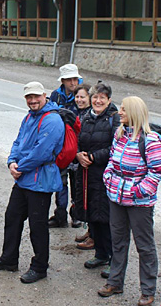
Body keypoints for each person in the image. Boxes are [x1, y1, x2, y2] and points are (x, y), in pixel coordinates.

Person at [0, 82, 64, 284]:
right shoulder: (29, 117)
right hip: (24, 179)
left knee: (37, 226)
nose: (32, 100)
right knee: (12, 217)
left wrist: (19, 167)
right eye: (29, 97)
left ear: (45, 96)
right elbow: (18, 142)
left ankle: (39, 267)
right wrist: (11, 161)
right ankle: (9, 259)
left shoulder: (53, 120)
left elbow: (42, 152)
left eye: (36, 96)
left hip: (40, 181)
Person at [98, 96, 161, 306]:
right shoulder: (120, 135)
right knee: (118, 242)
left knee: (144, 246)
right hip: (116, 198)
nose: (120, 112)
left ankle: (148, 290)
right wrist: (108, 180)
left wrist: (136, 192)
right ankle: (115, 282)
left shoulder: (151, 140)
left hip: (140, 204)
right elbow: (111, 161)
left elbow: (156, 173)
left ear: (135, 112)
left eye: (125, 110)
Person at [76, 82, 118, 275]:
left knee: (106, 218)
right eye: (95, 97)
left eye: (102, 97)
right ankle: (100, 253)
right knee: (92, 213)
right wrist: (79, 155)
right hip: (87, 174)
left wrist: (93, 157)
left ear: (109, 100)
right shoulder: (86, 118)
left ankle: (112, 258)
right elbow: (78, 140)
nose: (98, 100)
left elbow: (117, 148)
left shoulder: (114, 119)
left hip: (106, 175)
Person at [48, 63, 83, 228]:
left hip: (78, 146)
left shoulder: (82, 95)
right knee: (60, 183)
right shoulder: (56, 96)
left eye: (75, 79)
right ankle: (60, 215)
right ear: (63, 80)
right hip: (61, 147)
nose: (73, 83)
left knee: (77, 183)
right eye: (69, 79)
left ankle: (76, 215)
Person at [70, 83, 92, 245]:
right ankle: (89, 230)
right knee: (80, 197)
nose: (79, 100)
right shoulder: (75, 112)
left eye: (83, 97)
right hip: (76, 161)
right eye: (77, 96)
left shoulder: (92, 115)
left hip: (89, 162)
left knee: (90, 199)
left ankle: (93, 234)